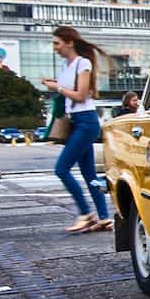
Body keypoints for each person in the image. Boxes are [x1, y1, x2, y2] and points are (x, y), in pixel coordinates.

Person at [41, 26, 112, 233]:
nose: (55, 47)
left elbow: (80, 95)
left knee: (61, 169)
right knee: (89, 173)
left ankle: (85, 213)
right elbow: (69, 90)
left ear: (69, 42)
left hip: (86, 121)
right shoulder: (66, 66)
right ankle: (105, 217)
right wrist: (52, 83)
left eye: (57, 43)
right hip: (76, 122)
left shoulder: (83, 63)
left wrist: (57, 88)